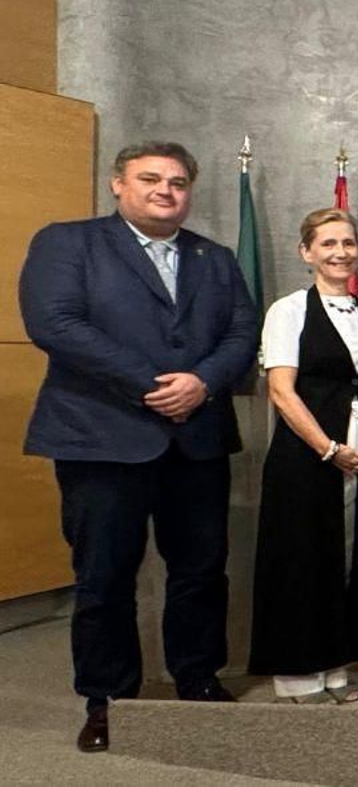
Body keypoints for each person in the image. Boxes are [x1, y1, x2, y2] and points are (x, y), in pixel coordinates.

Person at [19, 141, 258, 752]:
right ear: (116, 184)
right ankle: (108, 701)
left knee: (201, 572)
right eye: (150, 178)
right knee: (103, 577)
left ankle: (198, 682)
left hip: (197, 440)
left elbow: (241, 329)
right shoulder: (69, 243)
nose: (165, 190)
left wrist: (202, 382)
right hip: (101, 438)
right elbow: (55, 323)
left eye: (177, 182)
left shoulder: (216, 257)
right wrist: (153, 385)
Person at [249, 208, 358, 705]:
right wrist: (329, 449)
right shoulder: (287, 311)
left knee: (350, 558)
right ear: (306, 252)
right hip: (306, 457)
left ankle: (336, 666)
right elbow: (281, 391)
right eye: (329, 243)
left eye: (349, 243)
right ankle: (297, 676)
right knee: (303, 558)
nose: (341, 252)